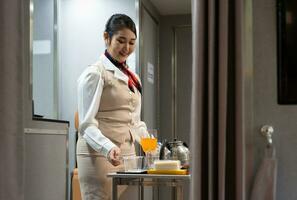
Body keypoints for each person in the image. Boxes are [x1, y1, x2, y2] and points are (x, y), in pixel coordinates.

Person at [76, 14, 149, 200]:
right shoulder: (95, 73)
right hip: (98, 155)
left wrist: (153, 148)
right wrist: (107, 148)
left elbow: (135, 122)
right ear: (106, 38)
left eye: (132, 42)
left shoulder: (133, 78)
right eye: (121, 41)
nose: (127, 48)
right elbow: (86, 125)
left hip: (128, 155)